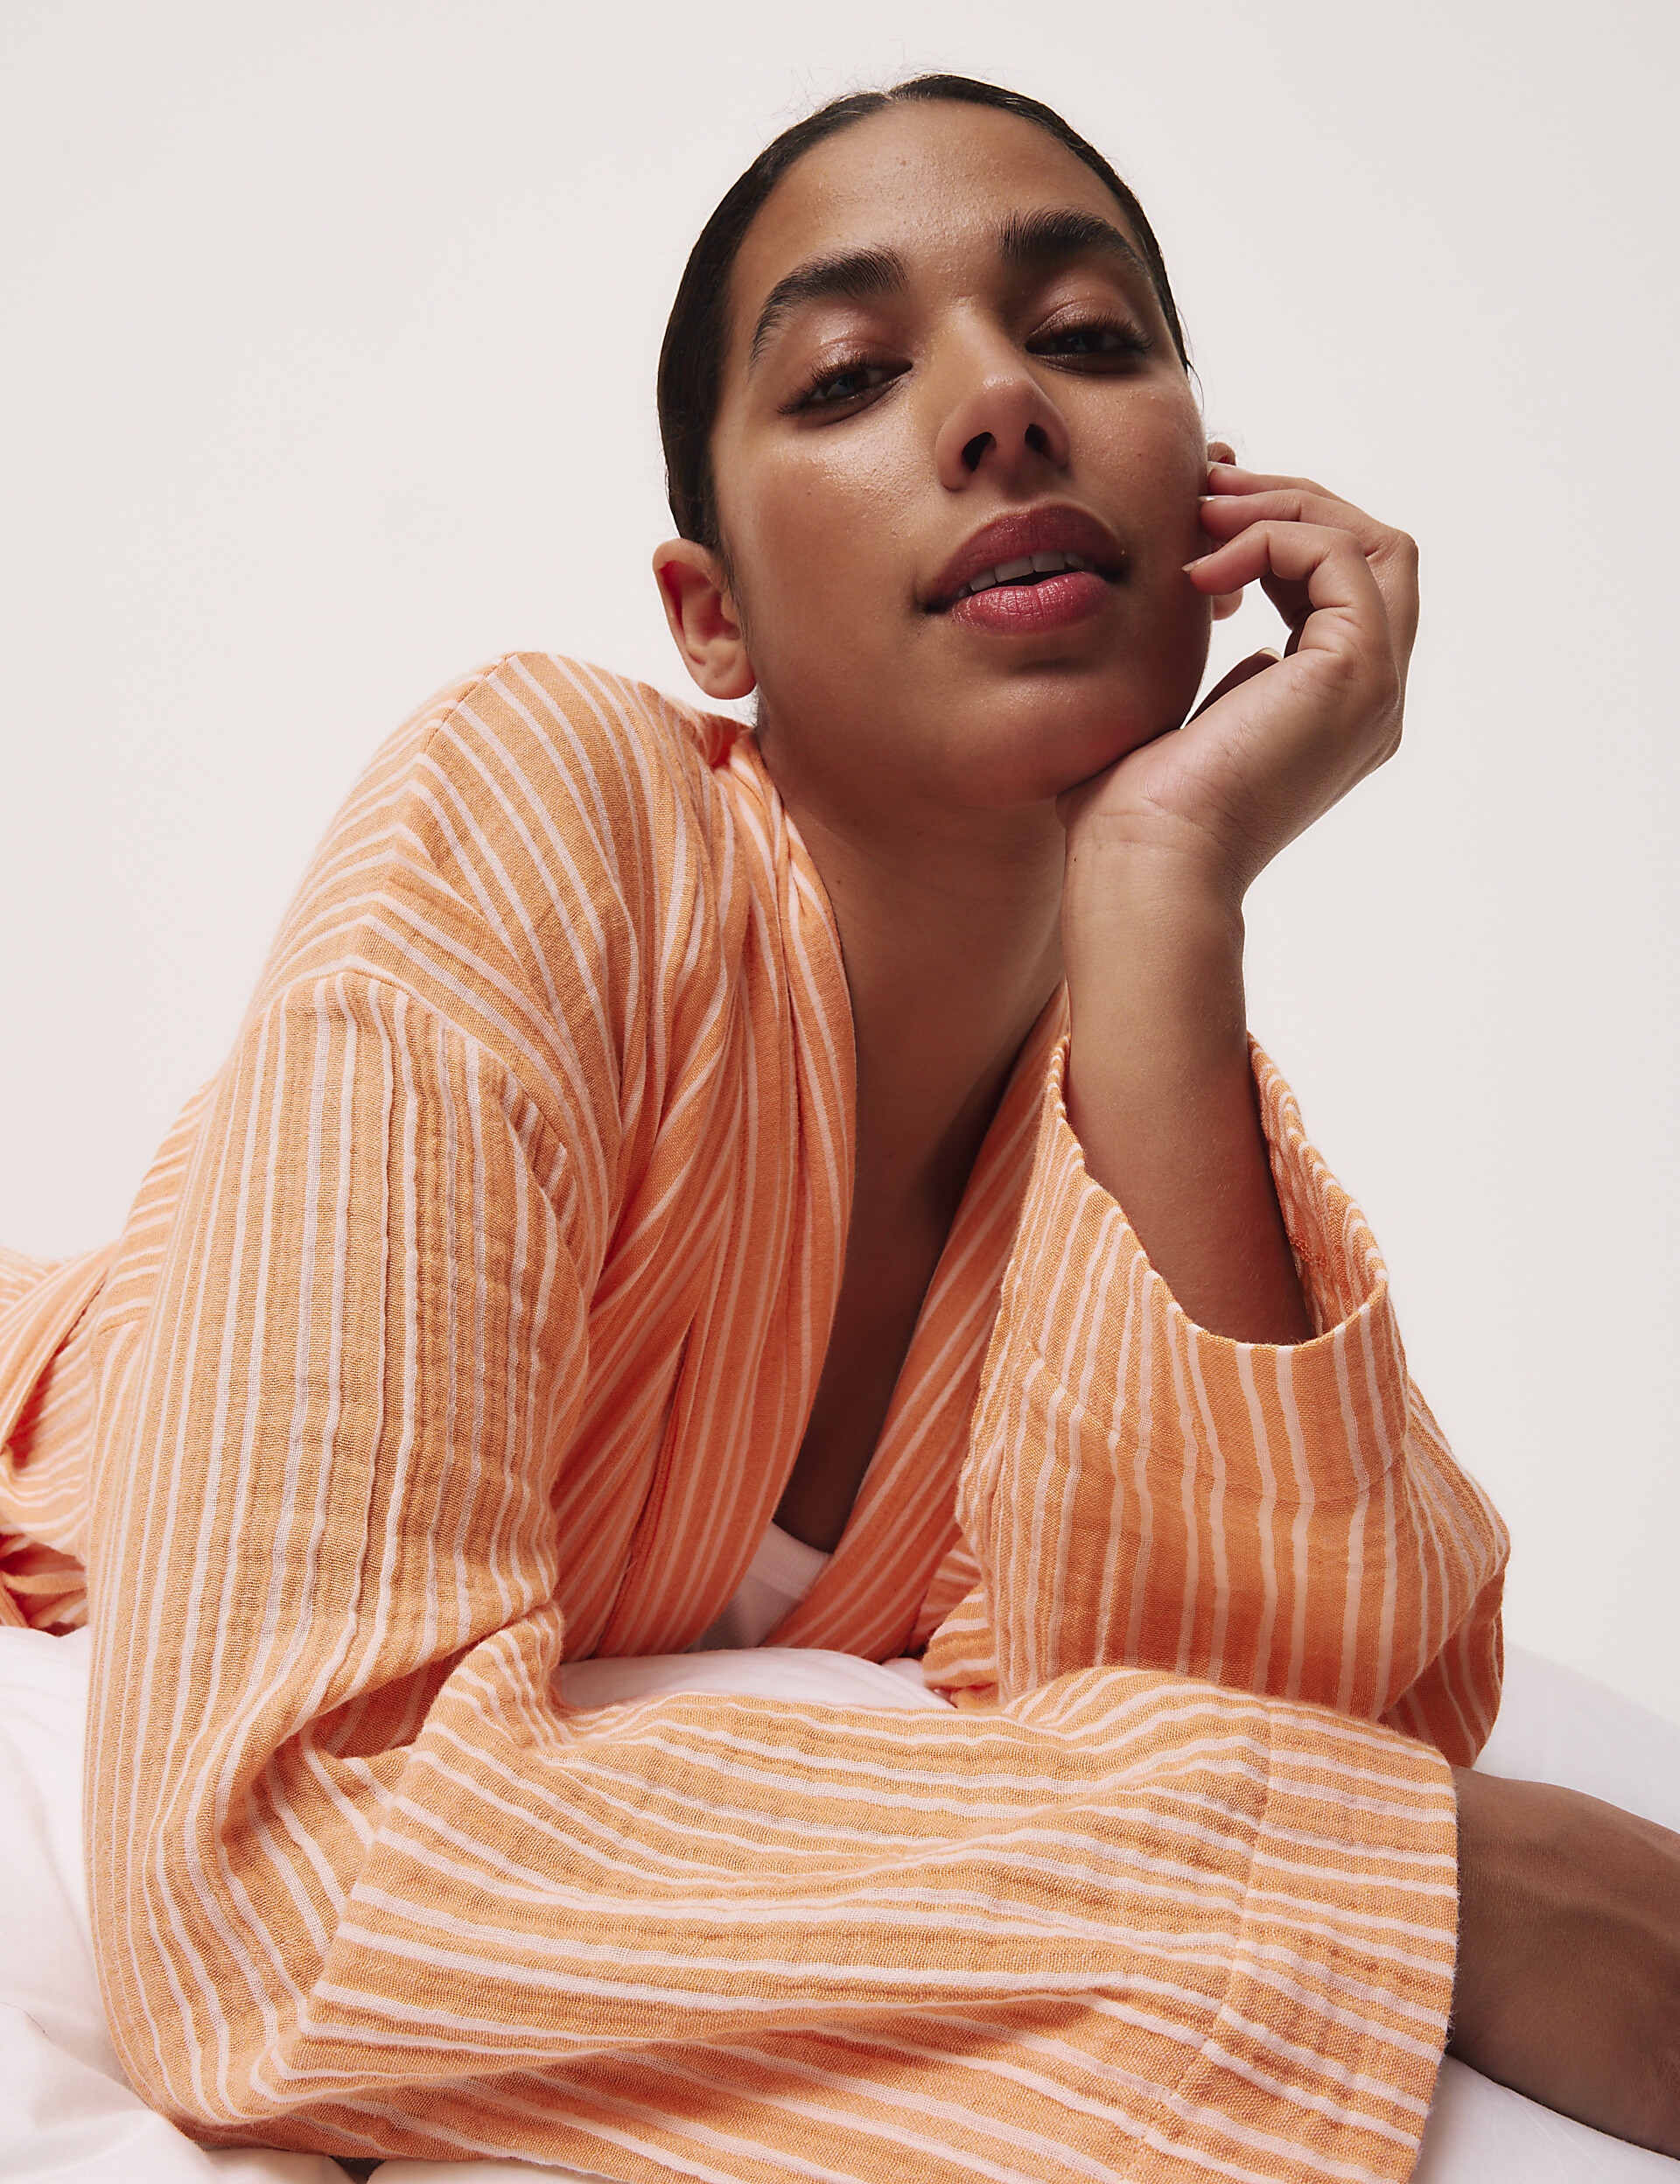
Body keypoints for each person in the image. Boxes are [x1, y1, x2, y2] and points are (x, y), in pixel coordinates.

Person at [0, 70, 1674, 2184]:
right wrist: (1413, 1892)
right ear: (712, 614)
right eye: (853, 376)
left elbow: (1260, 1718)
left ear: (1212, 506)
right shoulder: (540, 814)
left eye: (1089, 337)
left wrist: (1166, 890)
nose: (1004, 409)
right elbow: (277, 1884)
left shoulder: (1136, 1118)